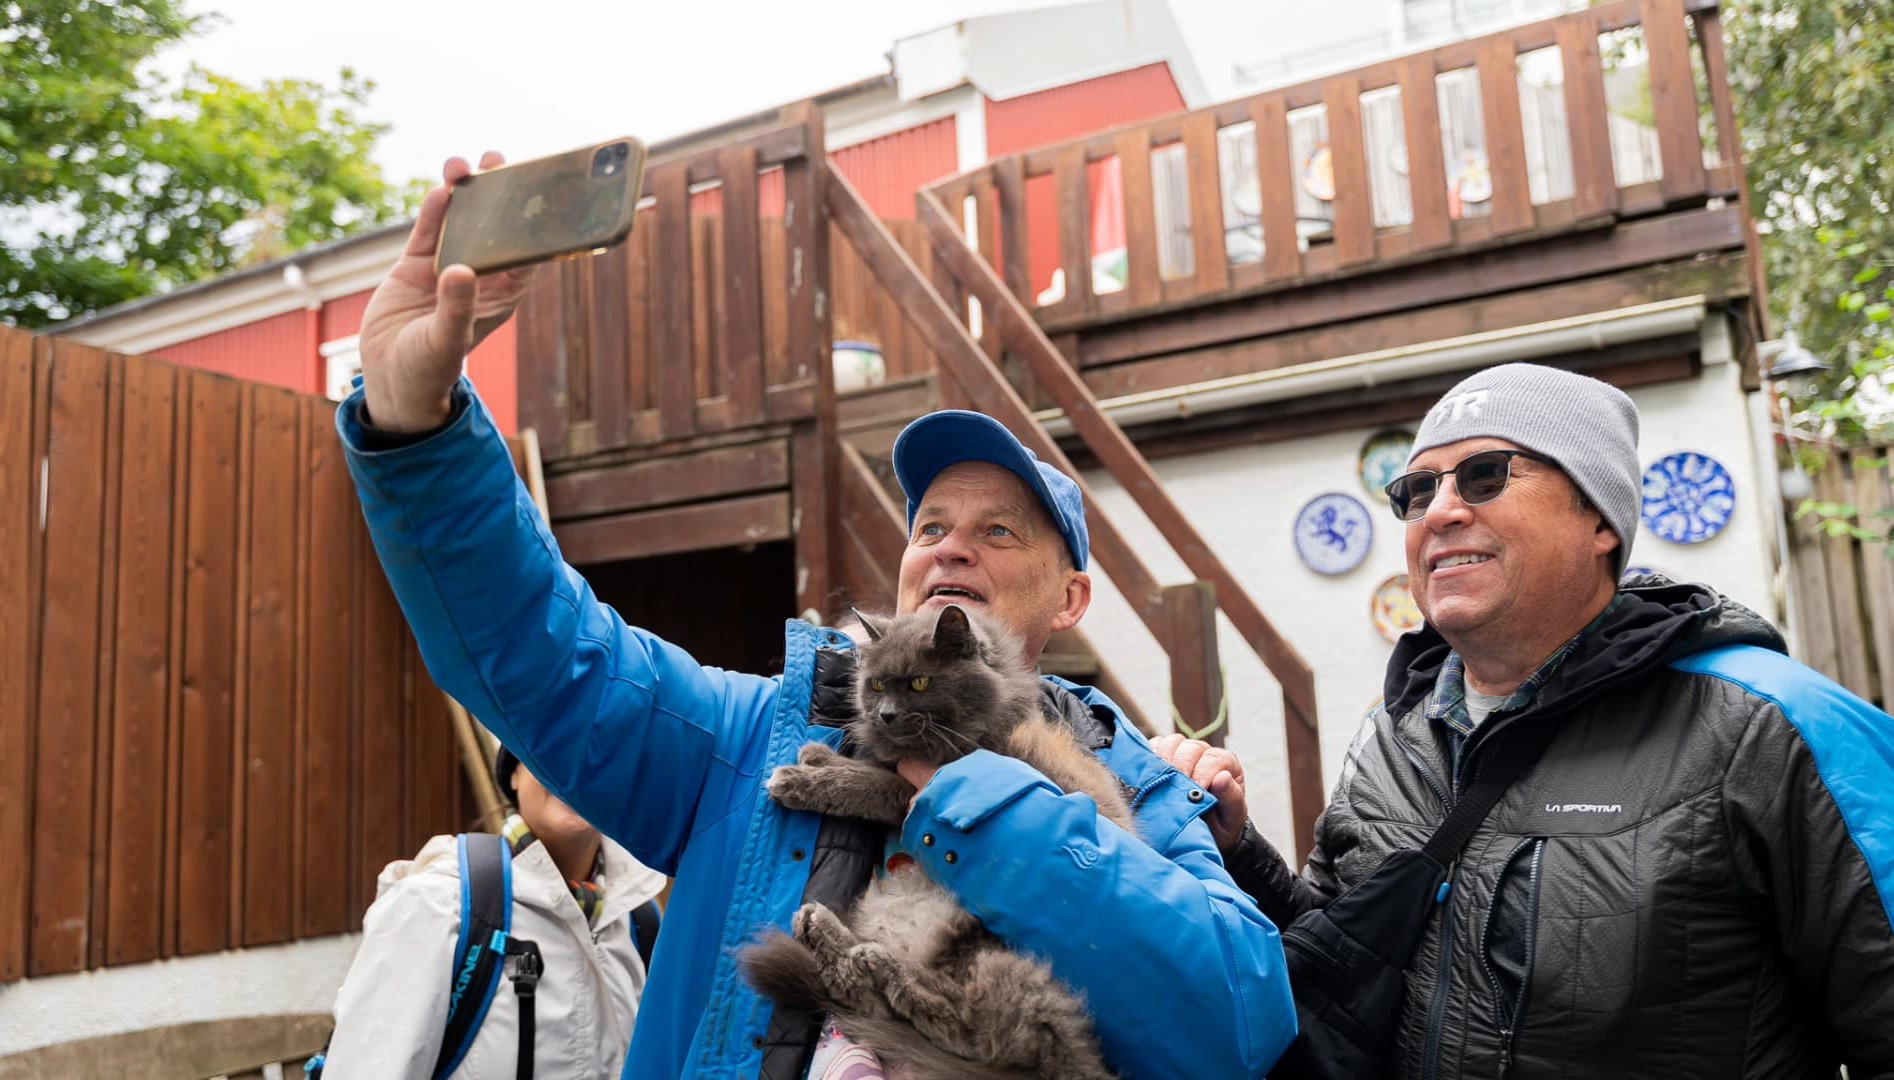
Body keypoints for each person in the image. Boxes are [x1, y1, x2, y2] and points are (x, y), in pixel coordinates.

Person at [334, 152, 1296, 1079]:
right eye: (930, 526)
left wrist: (979, 801)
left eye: (999, 531)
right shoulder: (753, 740)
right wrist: (418, 432)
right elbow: (545, 654)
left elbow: (1237, 1023)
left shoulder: (1144, 785)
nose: (952, 547)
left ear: (1069, 599)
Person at [1157, 362, 1894, 1077]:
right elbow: (1347, 949)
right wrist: (1237, 850)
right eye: (1418, 490)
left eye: (1486, 475)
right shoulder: (1394, 729)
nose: (1441, 510)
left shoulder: (1772, 724)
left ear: (1599, 520)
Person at [320, 745, 665, 1078]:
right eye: (555, 744)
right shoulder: (440, 904)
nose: (577, 767)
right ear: (513, 773)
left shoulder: (639, 921)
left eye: (603, 752)